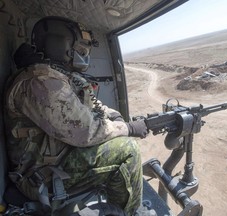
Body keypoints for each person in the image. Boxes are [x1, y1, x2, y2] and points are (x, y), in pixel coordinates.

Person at [4, 16, 149, 215]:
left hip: (60, 157)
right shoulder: (40, 83)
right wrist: (129, 128)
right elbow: (84, 130)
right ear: (57, 45)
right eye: (79, 48)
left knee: (117, 138)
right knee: (127, 150)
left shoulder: (60, 76)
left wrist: (114, 116)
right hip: (41, 176)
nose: (83, 54)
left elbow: (91, 105)